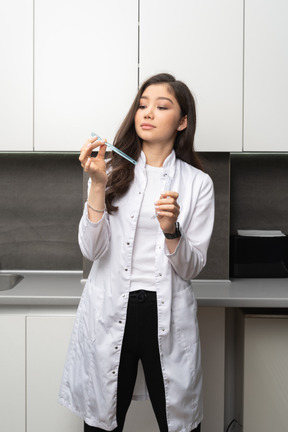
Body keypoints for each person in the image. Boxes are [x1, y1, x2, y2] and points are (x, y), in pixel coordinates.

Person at [59, 73, 215, 432]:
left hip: (166, 312)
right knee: (101, 423)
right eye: (142, 105)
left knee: (179, 424)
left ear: (183, 121)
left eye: (162, 106)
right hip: (112, 308)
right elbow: (91, 249)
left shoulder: (197, 184)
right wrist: (97, 186)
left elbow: (191, 268)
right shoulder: (110, 170)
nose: (147, 113)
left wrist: (170, 230)